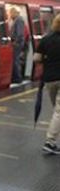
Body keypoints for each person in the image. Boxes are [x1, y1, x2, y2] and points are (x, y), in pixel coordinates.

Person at [37, 15, 60, 154]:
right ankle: (50, 142)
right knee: (59, 112)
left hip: (49, 80)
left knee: (57, 110)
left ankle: (52, 139)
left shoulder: (46, 39)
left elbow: (36, 58)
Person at [9, 7, 26, 83]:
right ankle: (16, 77)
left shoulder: (19, 20)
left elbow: (19, 33)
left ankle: (18, 78)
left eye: (11, 13)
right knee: (15, 60)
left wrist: (15, 42)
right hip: (17, 42)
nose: (10, 15)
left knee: (16, 60)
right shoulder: (17, 20)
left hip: (17, 43)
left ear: (15, 12)